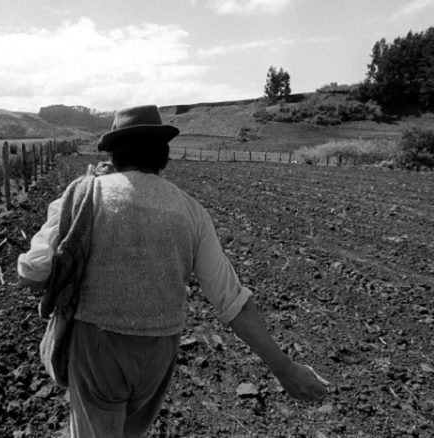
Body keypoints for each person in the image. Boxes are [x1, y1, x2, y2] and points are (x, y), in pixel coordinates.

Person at [18, 105, 328, 438]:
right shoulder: (191, 212)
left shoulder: (85, 194)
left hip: (98, 348)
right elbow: (232, 302)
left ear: (114, 154)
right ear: (164, 156)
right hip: (159, 352)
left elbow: (32, 272)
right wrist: (285, 369)